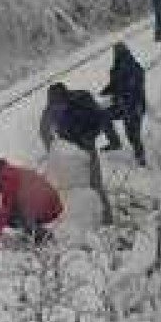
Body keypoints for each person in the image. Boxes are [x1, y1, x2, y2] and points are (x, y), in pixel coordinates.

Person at [39, 82, 119, 224]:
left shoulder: (56, 106)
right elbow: (103, 116)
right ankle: (102, 219)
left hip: (76, 149)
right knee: (94, 185)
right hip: (84, 146)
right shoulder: (81, 97)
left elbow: (44, 132)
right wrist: (113, 139)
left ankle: (99, 220)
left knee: (80, 187)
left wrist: (54, 150)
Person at [0, 158, 63, 243]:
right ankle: (35, 233)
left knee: (17, 218)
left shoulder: (6, 178)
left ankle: (44, 237)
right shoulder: (11, 171)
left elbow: (6, 207)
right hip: (50, 203)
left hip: (46, 206)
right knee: (14, 217)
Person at [100, 42, 147, 166]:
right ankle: (114, 142)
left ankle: (141, 158)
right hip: (121, 105)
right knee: (103, 116)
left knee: (132, 133)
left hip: (134, 106)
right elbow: (115, 85)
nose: (115, 54)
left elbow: (134, 89)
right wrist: (107, 90)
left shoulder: (135, 69)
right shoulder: (116, 68)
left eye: (117, 52)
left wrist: (121, 98)